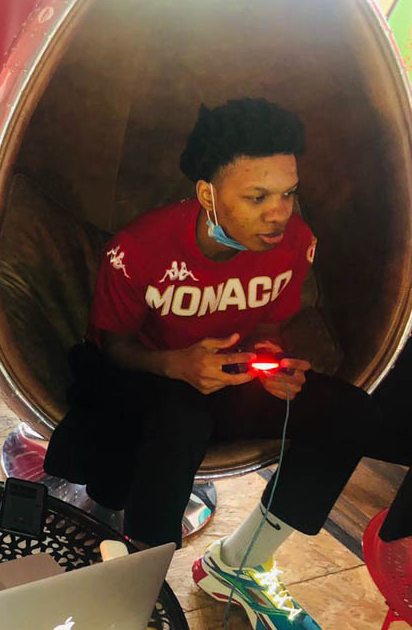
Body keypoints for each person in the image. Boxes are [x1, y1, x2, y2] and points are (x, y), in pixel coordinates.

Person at [44, 98, 375, 629]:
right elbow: (112, 346)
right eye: (257, 197)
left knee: (348, 412)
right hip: (144, 379)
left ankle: (240, 563)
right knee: (181, 418)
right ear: (207, 194)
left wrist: (271, 361)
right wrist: (174, 364)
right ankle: (136, 593)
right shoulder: (139, 249)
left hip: (228, 378)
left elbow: (267, 326)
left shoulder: (294, 242)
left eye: (289, 193)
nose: (279, 213)